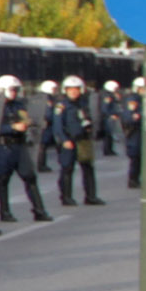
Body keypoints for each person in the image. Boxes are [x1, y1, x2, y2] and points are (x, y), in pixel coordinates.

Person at [0, 73, 52, 224]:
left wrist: (33, 123)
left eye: (15, 90)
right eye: (11, 90)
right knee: (3, 180)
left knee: (30, 177)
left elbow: (27, 118)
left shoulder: (19, 105)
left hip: (19, 145)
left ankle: (39, 210)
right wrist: (12, 127)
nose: (14, 93)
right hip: (3, 146)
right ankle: (5, 212)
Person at [55, 75, 103, 207]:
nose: (73, 91)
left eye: (76, 89)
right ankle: (66, 197)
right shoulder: (61, 106)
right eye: (70, 89)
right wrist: (64, 140)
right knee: (67, 169)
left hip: (83, 140)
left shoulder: (83, 104)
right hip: (69, 140)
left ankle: (91, 196)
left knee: (88, 168)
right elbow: (58, 126)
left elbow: (87, 119)